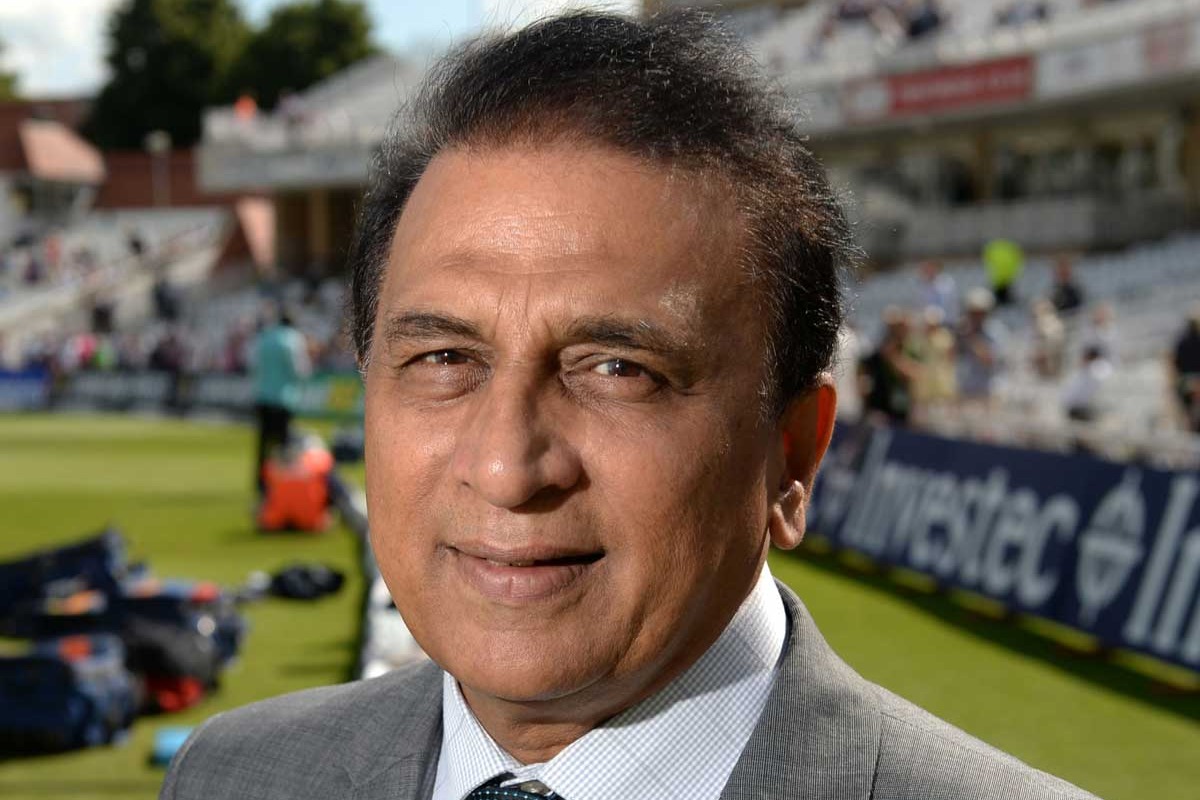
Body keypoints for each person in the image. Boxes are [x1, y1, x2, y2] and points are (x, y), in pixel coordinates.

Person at [161, 11, 1098, 800]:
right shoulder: (231, 777)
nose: (506, 467)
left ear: (793, 457)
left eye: (618, 369)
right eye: (444, 358)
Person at [250, 306, 310, 496]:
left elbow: (254, 365)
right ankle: (281, 481)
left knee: (263, 443)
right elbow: (300, 370)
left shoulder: (265, 337)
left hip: (263, 397)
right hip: (284, 398)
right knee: (283, 443)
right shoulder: (293, 339)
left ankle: (261, 482)